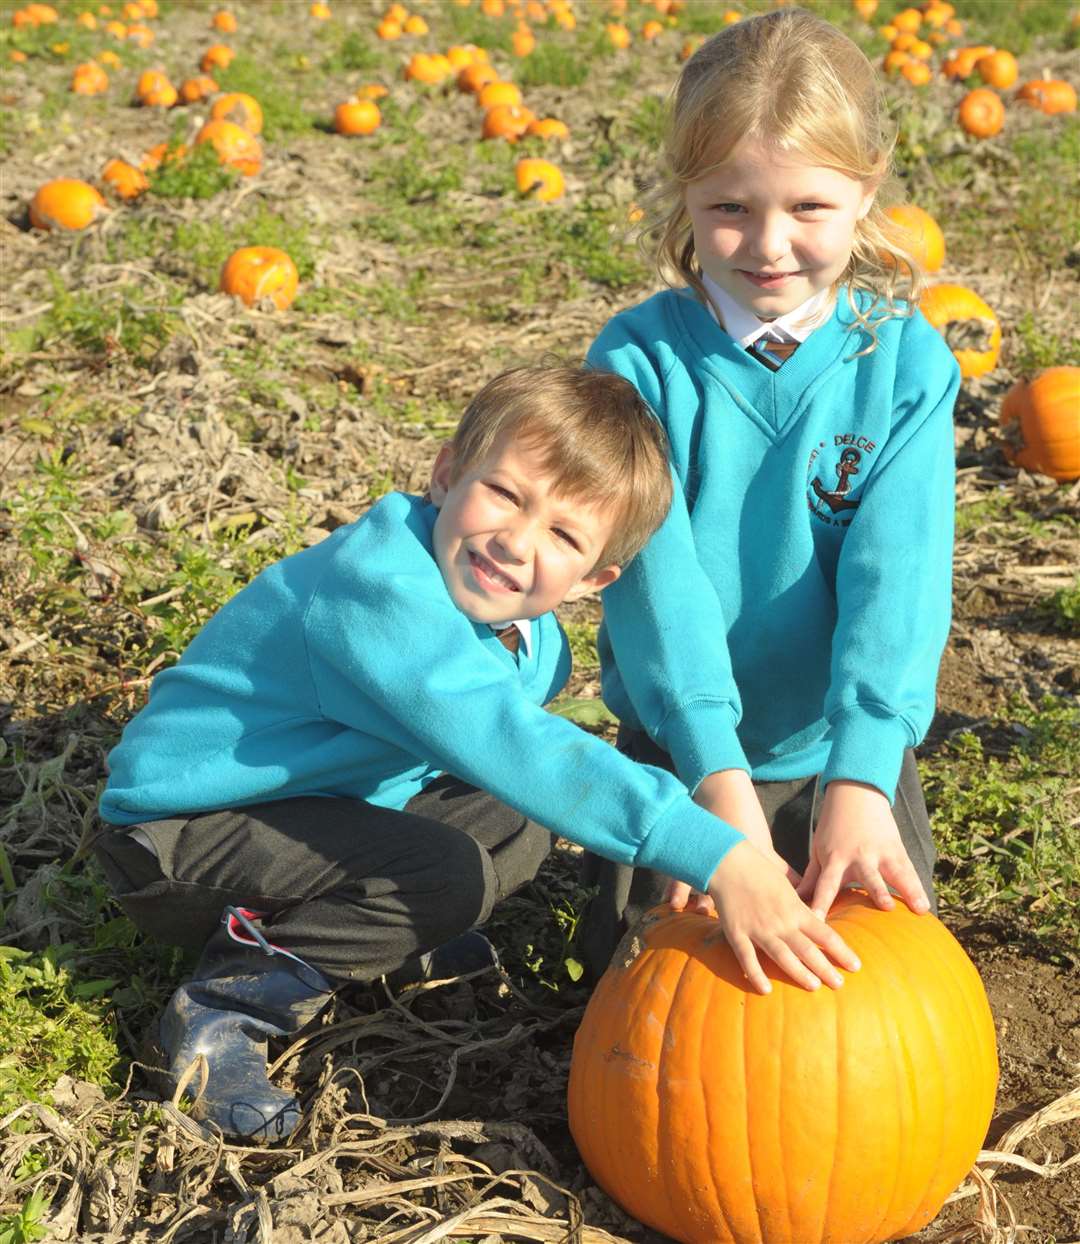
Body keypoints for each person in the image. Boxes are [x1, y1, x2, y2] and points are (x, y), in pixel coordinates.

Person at [93, 363, 860, 1143]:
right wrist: (719, 856)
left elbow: (513, 763)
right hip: (181, 834)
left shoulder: (530, 638)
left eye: (563, 535)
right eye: (504, 494)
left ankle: (384, 932)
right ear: (447, 471)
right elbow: (519, 744)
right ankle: (225, 1008)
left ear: (596, 578)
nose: (515, 543)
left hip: (311, 806)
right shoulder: (379, 592)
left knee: (514, 818)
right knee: (448, 873)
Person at [579, 8, 961, 981]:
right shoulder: (640, 363)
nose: (768, 244)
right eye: (731, 208)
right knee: (661, 995)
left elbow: (899, 578)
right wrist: (716, 778)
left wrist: (865, 770)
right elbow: (657, 587)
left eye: (808, 209)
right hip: (682, 739)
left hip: (838, 738)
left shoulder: (905, 361)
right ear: (687, 193)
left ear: (868, 188)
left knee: (875, 984)